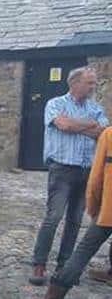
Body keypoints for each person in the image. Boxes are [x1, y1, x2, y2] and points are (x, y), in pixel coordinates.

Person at [29, 67, 108, 285]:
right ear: (75, 83)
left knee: (74, 221)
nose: (93, 87)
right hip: (62, 169)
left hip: (86, 170)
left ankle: (65, 267)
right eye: (89, 83)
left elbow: (103, 134)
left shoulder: (96, 108)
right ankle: (39, 265)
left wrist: (77, 127)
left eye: (94, 83)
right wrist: (88, 125)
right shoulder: (55, 104)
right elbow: (62, 124)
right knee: (53, 217)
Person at [33, 126, 112, 299]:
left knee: (83, 252)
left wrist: (94, 208)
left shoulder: (109, 135)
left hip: (109, 210)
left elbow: (95, 181)